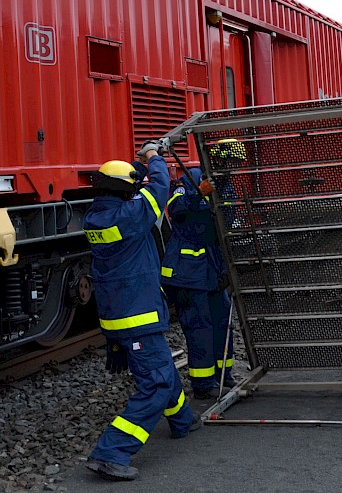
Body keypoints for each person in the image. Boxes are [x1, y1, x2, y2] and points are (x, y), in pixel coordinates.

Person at [84, 145, 200, 481]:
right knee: (157, 383)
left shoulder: (95, 216)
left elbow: (122, 185)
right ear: (127, 190)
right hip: (139, 317)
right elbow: (160, 185)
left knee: (161, 368)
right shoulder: (132, 215)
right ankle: (112, 452)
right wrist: (153, 156)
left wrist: (132, 166)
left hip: (117, 317)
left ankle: (182, 421)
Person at [164, 165, 236, 399]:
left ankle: (223, 373)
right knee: (199, 327)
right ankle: (204, 384)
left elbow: (225, 225)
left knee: (222, 320)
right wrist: (199, 193)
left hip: (212, 271)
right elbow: (175, 209)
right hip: (188, 273)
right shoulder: (189, 181)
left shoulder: (226, 187)